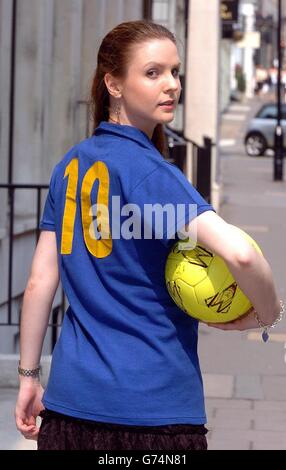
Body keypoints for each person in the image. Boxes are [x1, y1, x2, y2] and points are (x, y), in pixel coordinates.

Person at [15, 20, 283, 451]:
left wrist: (28, 376)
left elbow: (40, 281)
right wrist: (267, 314)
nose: (172, 85)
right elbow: (243, 255)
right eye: (153, 72)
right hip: (154, 416)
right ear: (113, 84)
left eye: (175, 72)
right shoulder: (151, 173)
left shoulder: (71, 165)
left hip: (69, 410)